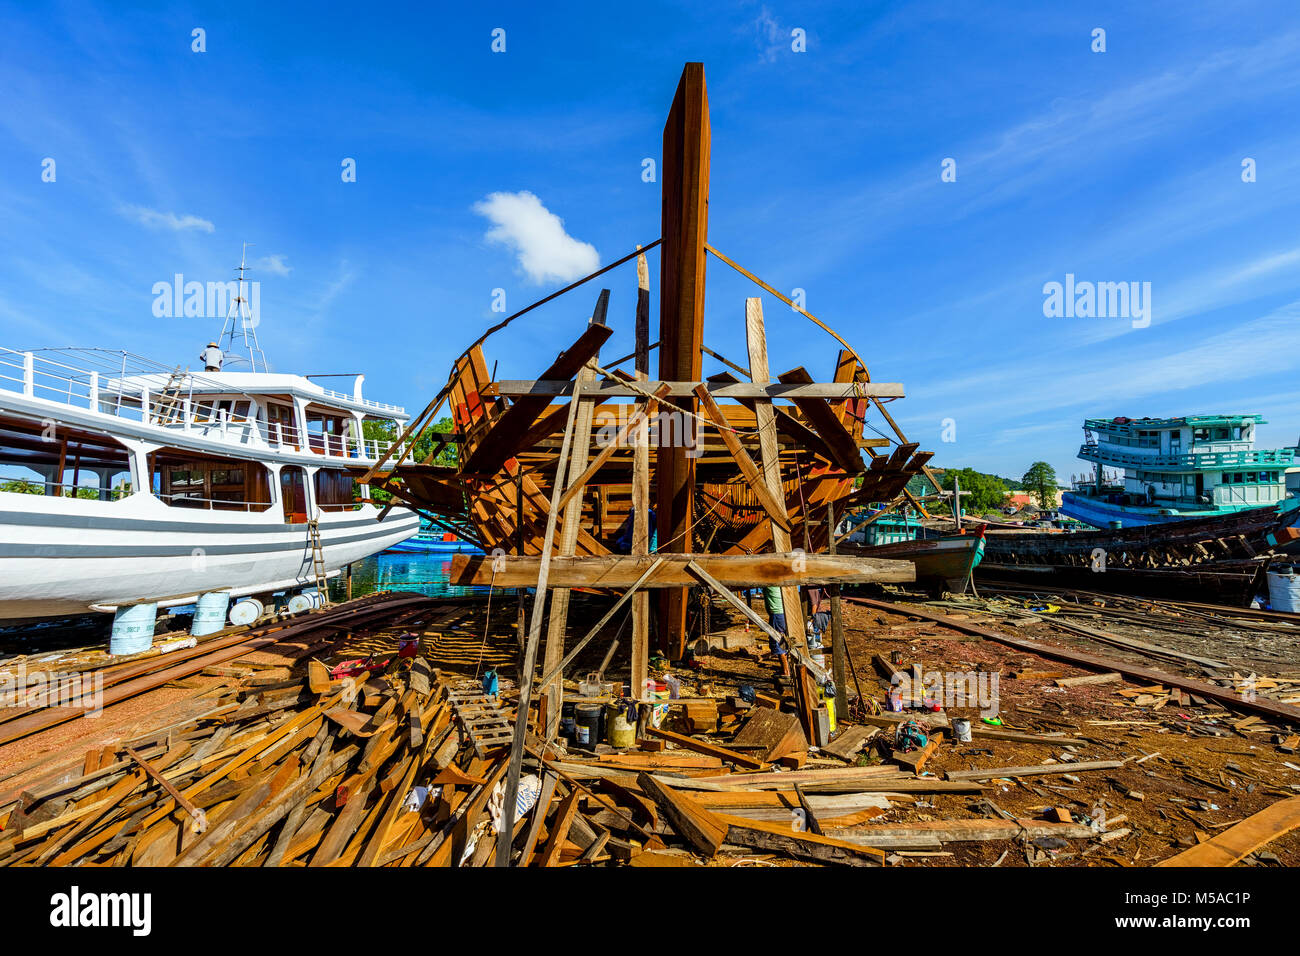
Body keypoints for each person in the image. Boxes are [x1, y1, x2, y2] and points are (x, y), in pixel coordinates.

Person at [762, 586, 789, 677]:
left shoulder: (769, 580)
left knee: (777, 642)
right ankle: (787, 669)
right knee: (784, 640)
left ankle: (786, 671)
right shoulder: (779, 580)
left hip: (777, 613)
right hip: (785, 612)